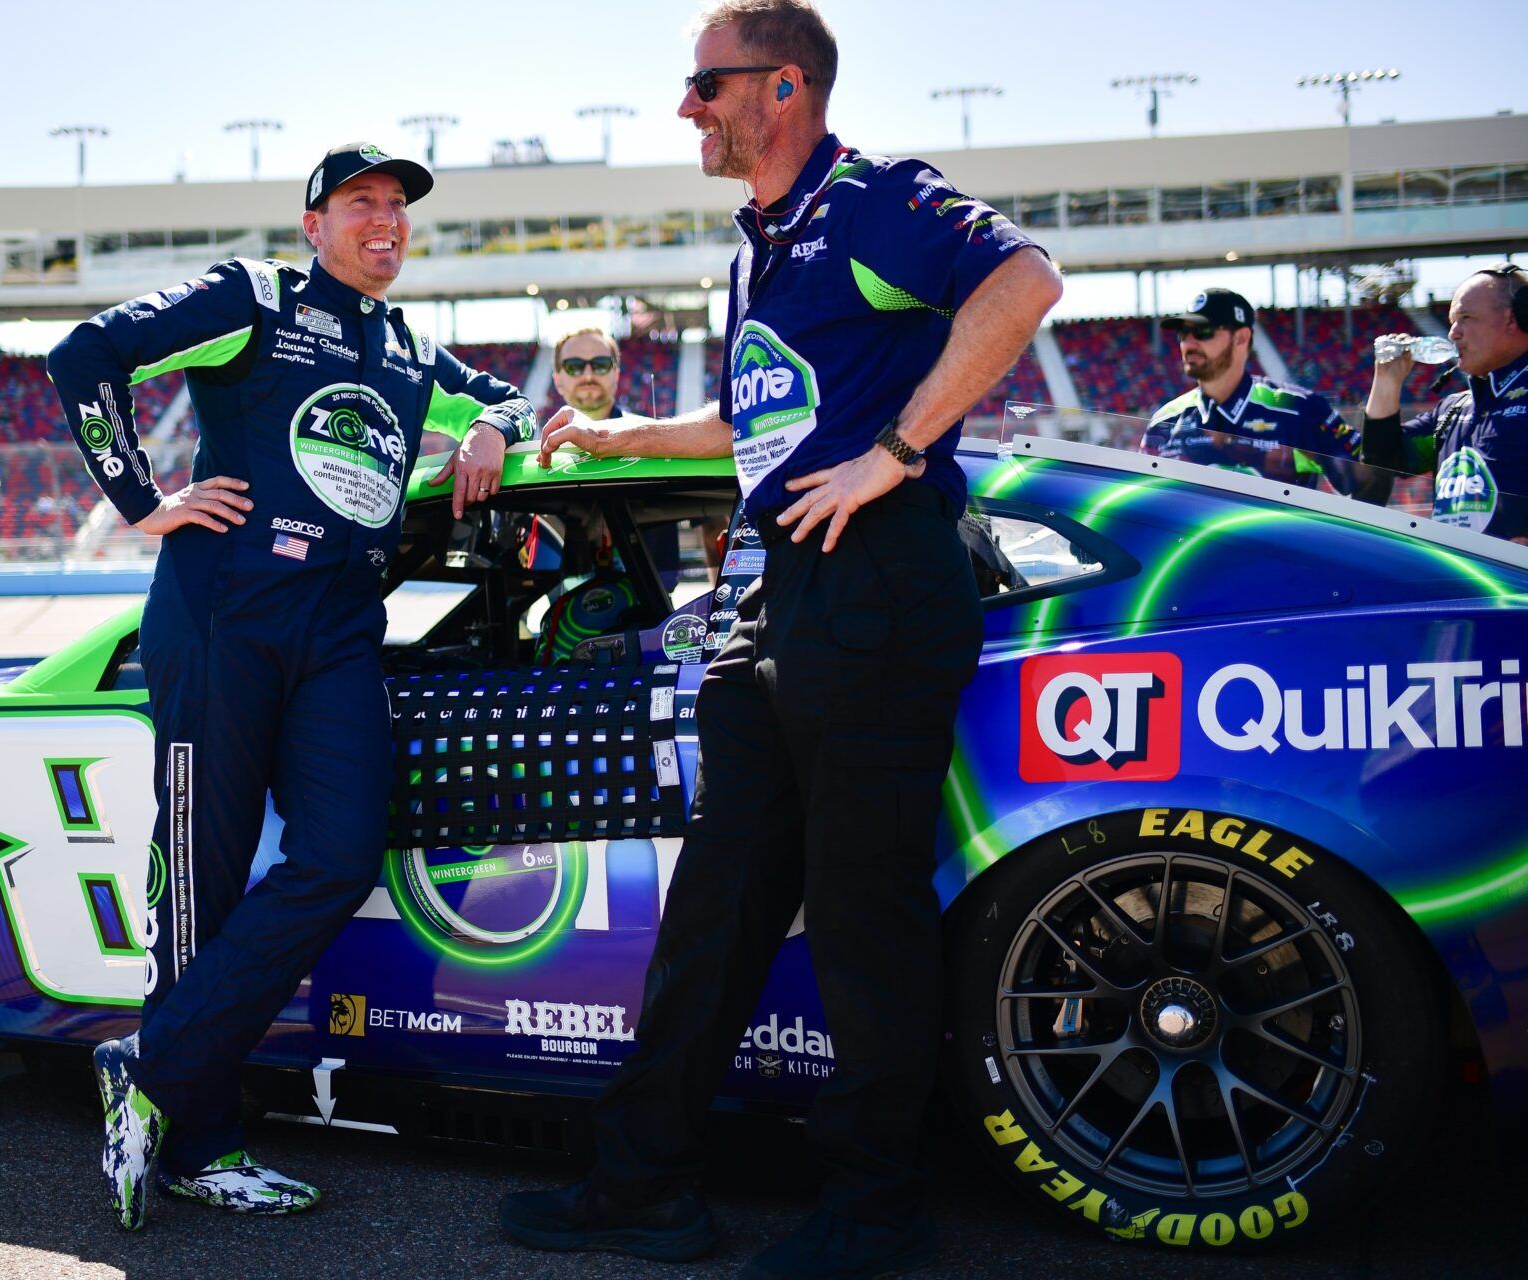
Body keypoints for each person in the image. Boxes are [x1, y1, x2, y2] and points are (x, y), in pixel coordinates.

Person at [496, 2, 1061, 1275]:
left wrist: (897, 454)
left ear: (783, 85)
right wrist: (626, 438)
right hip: (780, 599)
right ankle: (645, 1180)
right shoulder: (764, 244)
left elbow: (1025, 279)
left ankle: (874, 1207)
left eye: (706, 84)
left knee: (863, 912)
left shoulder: (869, 197)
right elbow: (765, 418)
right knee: (721, 901)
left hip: (879, 584)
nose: (686, 107)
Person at [48, 141, 533, 1231]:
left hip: (340, 631)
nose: (386, 221)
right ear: (312, 222)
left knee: (337, 852)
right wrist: (140, 498)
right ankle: (202, 1142)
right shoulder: (253, 298)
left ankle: (150, 1066)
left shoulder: (410, 349)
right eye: (362, 202)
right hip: (225, 616)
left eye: (399, 206)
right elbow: (84, 355)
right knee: (201, 884)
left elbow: (508, 396)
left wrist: (494, 424)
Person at [1362, 265, 1528, 544]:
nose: (1453, 333)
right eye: (1453, 320)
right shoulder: (1454, 410)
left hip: (1518, 585)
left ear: (1515, 318)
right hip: (1464, 580)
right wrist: (1386, 381)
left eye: (1466, 318)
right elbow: (1382, 463)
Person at [1143, 287, 1367, 495]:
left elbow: (1366, 483)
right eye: (1183, 333)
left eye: (1203, 331)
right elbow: (1147, 507)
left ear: (1241, 338)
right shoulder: (1165, 421)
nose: (1189, 343)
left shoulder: (1299, 409)